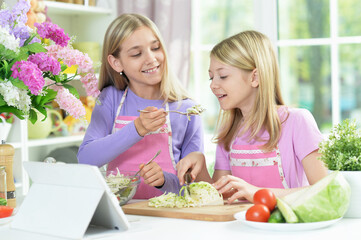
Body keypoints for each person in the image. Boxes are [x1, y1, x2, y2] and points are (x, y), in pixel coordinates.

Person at [177, 30, 328, 204]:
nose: (213, 85)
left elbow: (324, 190)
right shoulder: (229, 134)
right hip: (243, 227)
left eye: (223, 76)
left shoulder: (296, 121)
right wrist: (200, 165)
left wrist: (257, 193)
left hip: (287, 228)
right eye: (211, 77)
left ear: (254, 77)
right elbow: (221, 197)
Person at [77, 13, 204, 199]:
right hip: (124, 213)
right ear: (116, 63)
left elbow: (192, 187)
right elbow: (86, 159)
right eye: (137, 53)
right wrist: (137, 129)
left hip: (171, 216)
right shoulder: (110, 99)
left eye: (156, 48)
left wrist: (163, 180)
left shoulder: (187, 109)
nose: (151, 58)